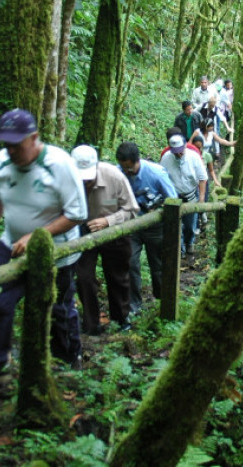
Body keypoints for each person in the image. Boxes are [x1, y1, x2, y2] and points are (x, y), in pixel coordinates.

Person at [0, 109, 88, 384]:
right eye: (6, 144)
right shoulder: (2, 161)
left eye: (16, 145)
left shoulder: (59, 164)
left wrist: (37, 236)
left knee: (57, 308)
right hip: (11, 242)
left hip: (57, 250)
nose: (11, 151)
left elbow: (77, 213)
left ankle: (67, 361)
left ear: (34, 138)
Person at [70, 145, 139, 335]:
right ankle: (91, 324)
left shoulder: (114, 177)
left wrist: (108, 221)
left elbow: (131, 209)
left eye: (88, 179)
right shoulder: (67, 179)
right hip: (83, 233)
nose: (85, 183)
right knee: (84, 278)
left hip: (114, 232)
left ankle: (121, 319)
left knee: (118, 277)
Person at [115, 141, 178, 314]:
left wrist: (158, 208)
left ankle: (162, 299)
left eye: (129, 168)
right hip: (131, 225)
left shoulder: (156, 173)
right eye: (123, 168)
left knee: (157, 265)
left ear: (137, 161)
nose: (126, 172)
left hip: (155, 226)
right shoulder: (118, 173)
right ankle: (133, 304)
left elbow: (173, 200)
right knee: (130, 263)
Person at [160, 134, 207, 256]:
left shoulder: (194, 157)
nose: (179, 154)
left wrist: (201, 199)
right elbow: (161, 178)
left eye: (181, 151)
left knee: (190, 224)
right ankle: (180, 250)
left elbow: (202, 178)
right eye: (176, 152)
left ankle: (189, 242)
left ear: (185, 146)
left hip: (190, 195)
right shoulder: (166, 158)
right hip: (174, 198)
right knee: (176, 225)